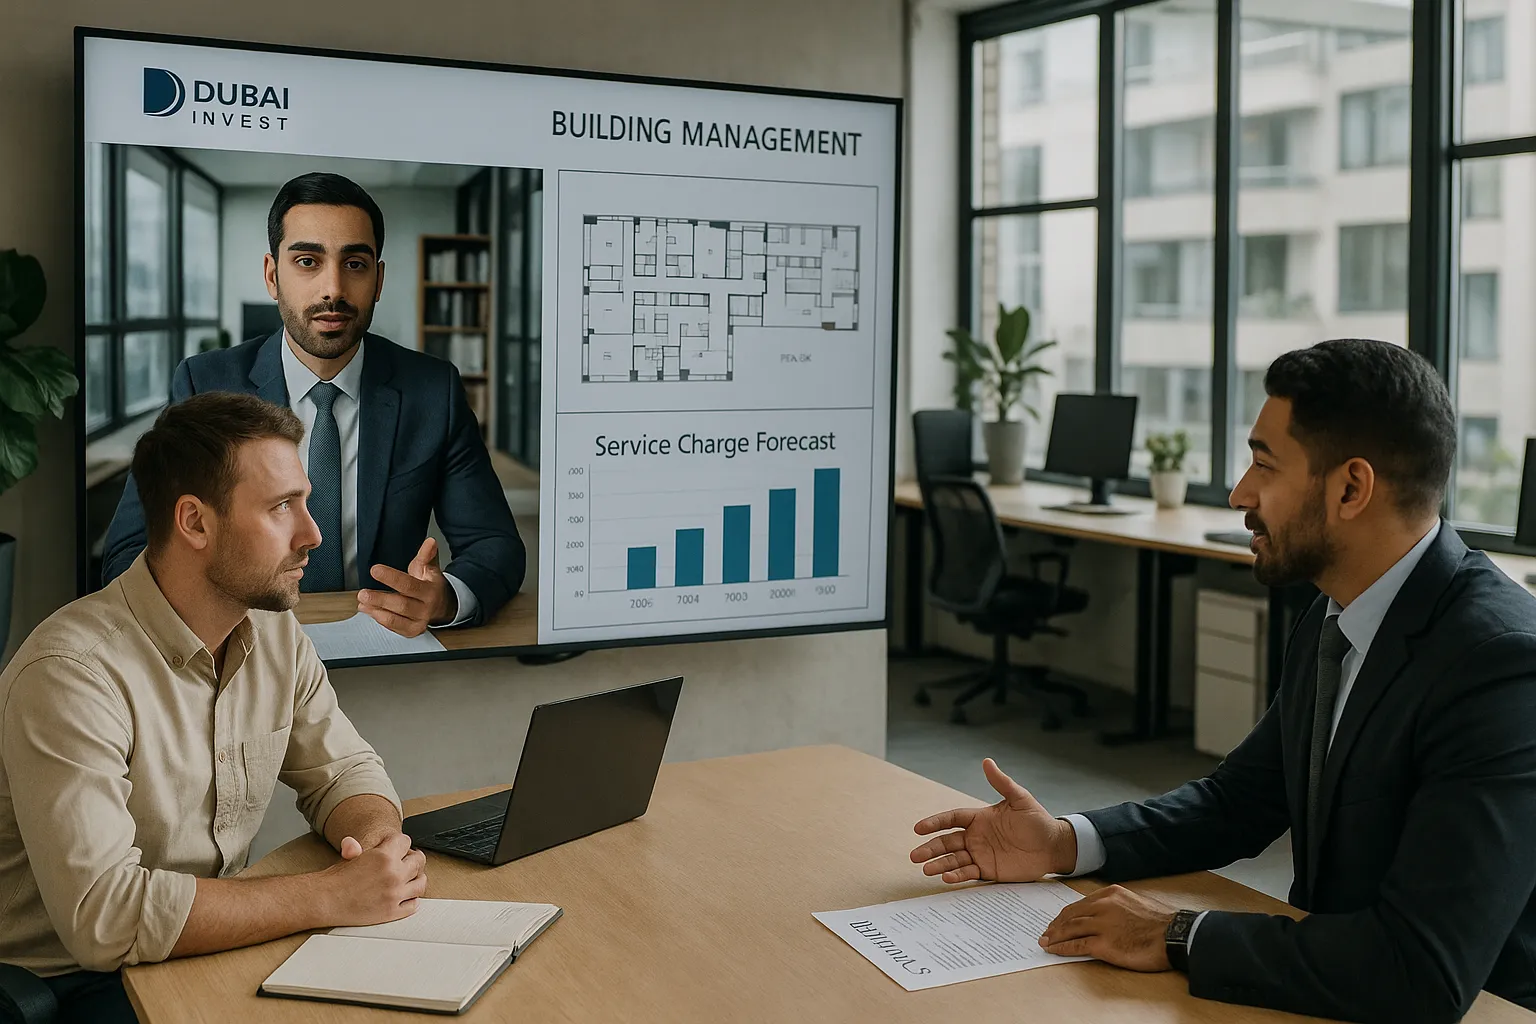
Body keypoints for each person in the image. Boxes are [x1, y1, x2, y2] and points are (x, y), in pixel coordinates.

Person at [909, 339, 1536, 1023]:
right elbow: (1240, 802)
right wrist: (1064, 842)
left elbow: (1420, 968)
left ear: (1351, 488)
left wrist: (1176, 932)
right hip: (1329, 989)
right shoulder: (1340, 607)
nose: (1240, 491)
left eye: (1264, 463)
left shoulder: (1501, 665)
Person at [0, 393, 428, 1023]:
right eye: (282, 507)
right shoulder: (70, 675)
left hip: (204, 951)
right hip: (70, 985)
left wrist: (373, 851)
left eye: (305, 502)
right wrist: (331, 896)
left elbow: (344, 773)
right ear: (195, 523)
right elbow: (105, 919)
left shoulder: (274, 631)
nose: (313, 533)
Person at [101, 171, 524, 636]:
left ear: (378, 279)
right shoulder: (205, 383)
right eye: (307, 261)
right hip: (241, 647)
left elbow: (494, 545)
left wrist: (445, 599)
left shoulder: (432, 389)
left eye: (356, 265)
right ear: (272, 275)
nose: (333, 290)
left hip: (381, 650)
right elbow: (131, 551)